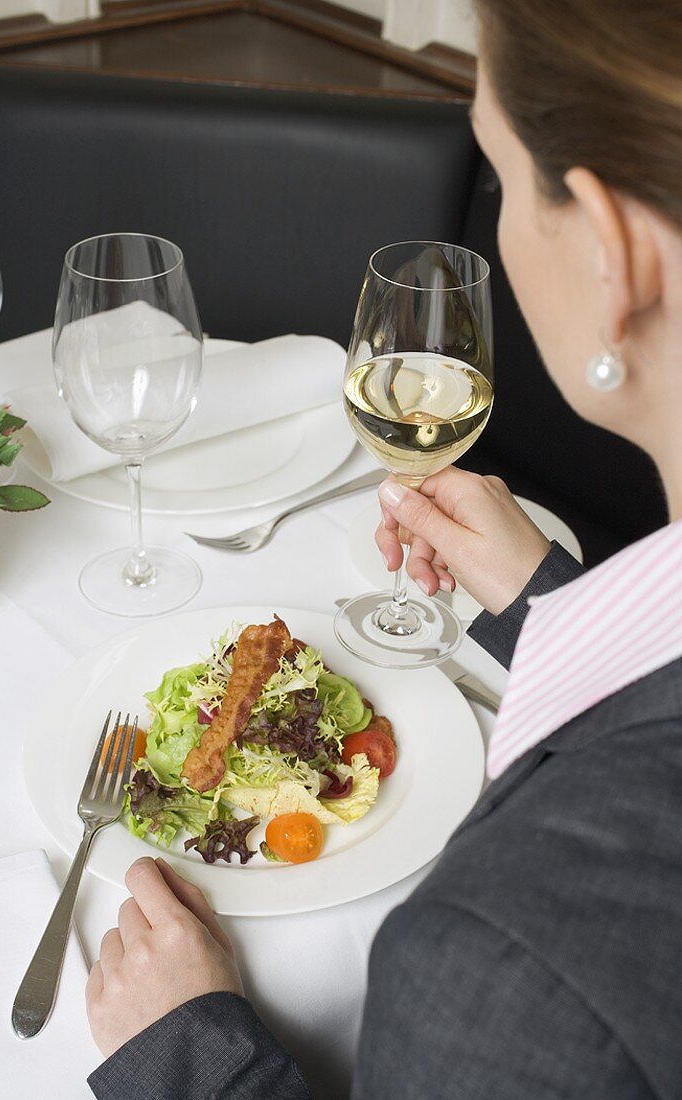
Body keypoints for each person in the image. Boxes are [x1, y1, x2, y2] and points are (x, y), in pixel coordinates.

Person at [86, 1, 682, 1096]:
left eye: (498, 180)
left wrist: (184, 1048)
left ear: (610, 253)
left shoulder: (504, 962)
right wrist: (548, 603)